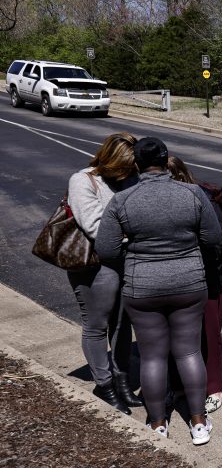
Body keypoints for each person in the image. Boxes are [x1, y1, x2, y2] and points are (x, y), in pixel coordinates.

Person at [96, 137, 222, 445]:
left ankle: (157, 425)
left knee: (152, 357)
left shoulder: (122, 200)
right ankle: (198, 422)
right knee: (189, 351)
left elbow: (106, 250)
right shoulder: (192, 194)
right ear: (167, 162)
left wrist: (136, 253)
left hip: (143, 287)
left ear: (136, 165)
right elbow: (213, 238)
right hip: (188, 283)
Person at [67, 132, 142, 414]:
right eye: (123, 167)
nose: (127, 173)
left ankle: (122, 382)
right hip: (92, 264)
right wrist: (134, 231)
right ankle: (104, 384)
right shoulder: (83, 180)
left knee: (122, 326)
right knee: (96, 324)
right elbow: (96, 228)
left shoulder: (131, 178)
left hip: (124, 261)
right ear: (109, 160)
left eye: (131, 168)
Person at [167, 156, 222, 413]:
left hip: (207, 278)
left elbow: (216, 246)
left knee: (209, 335)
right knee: (182, 336)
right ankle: (183, 384)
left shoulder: (205, 201)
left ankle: (214, 387)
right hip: (181, 279)